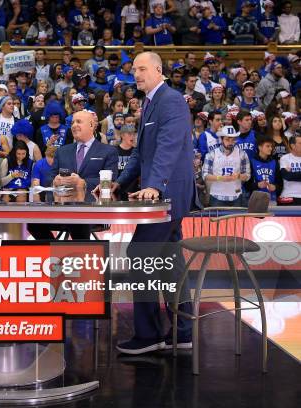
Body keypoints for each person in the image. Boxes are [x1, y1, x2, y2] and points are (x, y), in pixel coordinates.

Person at [109, 52, 198, 354]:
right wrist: (120, 182)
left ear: (159, 70)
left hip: (170, 193)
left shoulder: (170, 100)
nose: (137, 74)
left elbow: (168, 147)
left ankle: (149, 335)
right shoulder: (148, 104)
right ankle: (183, 332)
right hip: (162, 193)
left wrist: (153, 185)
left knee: (140, 252)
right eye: (134, 69)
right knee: (170, 261)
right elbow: (140, 153)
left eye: (142, 68)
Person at [27, 110, 118, 240]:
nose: (74, 125)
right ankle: (56, 252)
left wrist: (83, 183)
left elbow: (111, 180)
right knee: (33, 223)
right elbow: (48, 178)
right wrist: (55, 182)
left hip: (93, 210)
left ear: (92, 125)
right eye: (72, 122)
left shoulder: (108, 151)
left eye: (79, 122)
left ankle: (79, 257)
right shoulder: (62, 151)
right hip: (62, 208)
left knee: (78, 223)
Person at [202, 125, 251, 207]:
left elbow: (248, 175)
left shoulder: (242, 154)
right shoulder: (211, 154)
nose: (230, 142)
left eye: (233, 140)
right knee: (217, 220)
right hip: (216, 196)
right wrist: (220, 178)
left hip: (236, 196)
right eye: (227, 139)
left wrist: (238, 176)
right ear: (221, 139)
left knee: (237, 220)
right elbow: (205, 175)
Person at [279, 135, 301, 205]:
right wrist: (290, 175)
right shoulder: (285, 158)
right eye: (300, 143)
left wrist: (292, 174)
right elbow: (287, 176)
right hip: (288, 196)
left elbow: (290, 175)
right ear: (293, 146)